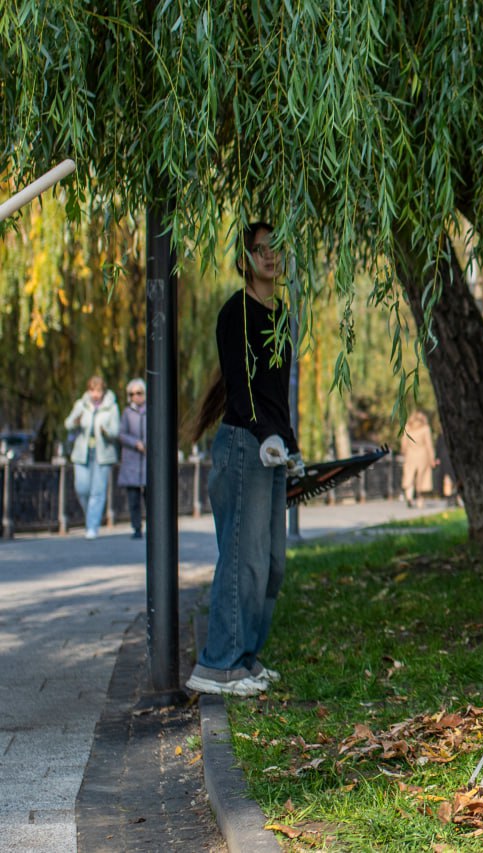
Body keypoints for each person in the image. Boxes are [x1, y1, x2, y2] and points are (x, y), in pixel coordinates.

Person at [185, 221, 303, 698]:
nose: (270, 257)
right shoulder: (236, 312)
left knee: (272, 562)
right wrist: (263, 436)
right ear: (244, 260)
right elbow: (242, 383)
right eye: (260, 250)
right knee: (243, 559)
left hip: (271, 448)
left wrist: (290, 446)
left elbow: (278, 392)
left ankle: (246, 658)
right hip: (244, 444)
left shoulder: (282, 313)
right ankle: (218, 665)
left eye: (276, 249)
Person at [64, 375, 120, 539]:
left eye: (98, 391)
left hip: (102, 454)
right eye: (92, 390)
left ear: (103, 391)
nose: (95, 394)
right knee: (82, 488)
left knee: (98, 490)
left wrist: (106, 431)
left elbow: (116, 431)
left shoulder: (111, 407)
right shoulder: (81, 405)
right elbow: (68, 424)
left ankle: (92, 526)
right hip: (82, 453)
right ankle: (91, 515)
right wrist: (76, 420)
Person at [117, 378, 147, 539]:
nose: (136, 396)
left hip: (148, 461)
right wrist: (135, 443)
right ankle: (136, 528)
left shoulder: (152, 410)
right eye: (132, 394)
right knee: (133, 499)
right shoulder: (127, 413)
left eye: (139, 393)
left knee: (151, 498)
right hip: (132, 461)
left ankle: (154, 527)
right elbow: (121, 434)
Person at [400, 410, 435, 508]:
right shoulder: (425, 429)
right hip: (422, 454)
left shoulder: (408, 428)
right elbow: (429, 444)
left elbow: (404, 443)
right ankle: (420, 500)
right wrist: (432, 458)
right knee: (422, 477)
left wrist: (404, 451)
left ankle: (409, 496)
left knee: (409, 475)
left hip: (410, 454)